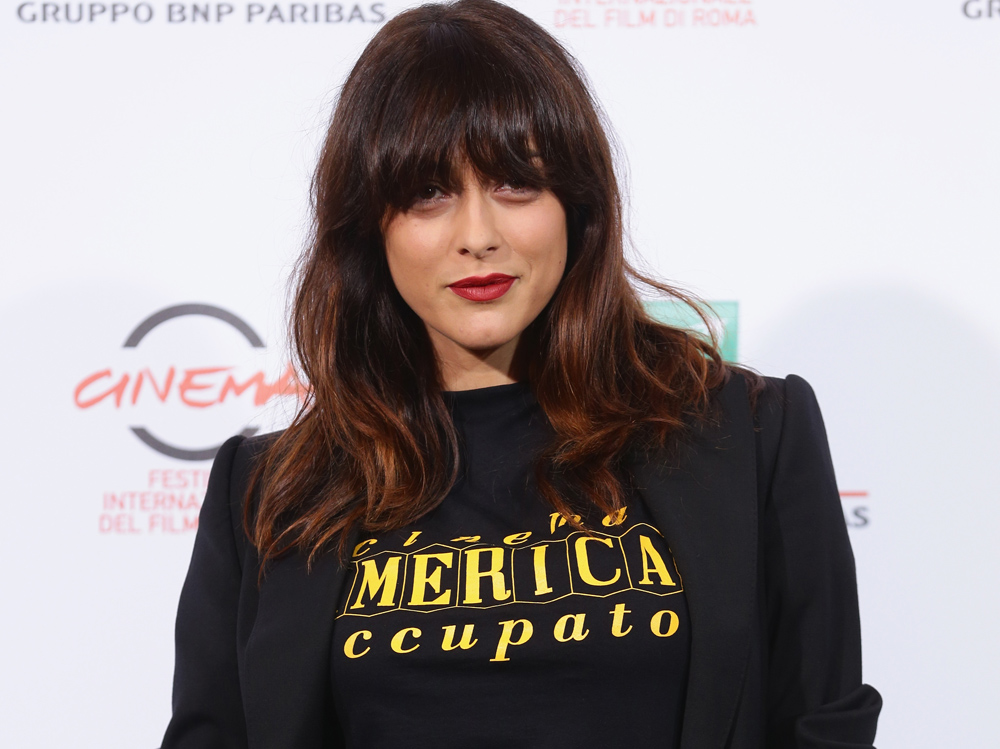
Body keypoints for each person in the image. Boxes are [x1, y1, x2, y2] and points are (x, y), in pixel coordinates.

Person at [159, 1, 882, 747]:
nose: (478, 236)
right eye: (428, 194)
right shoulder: (269, 492)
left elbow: (821, 723)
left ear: (577, 203)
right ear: (370, 225)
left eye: (515, 184)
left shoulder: (751, 434)